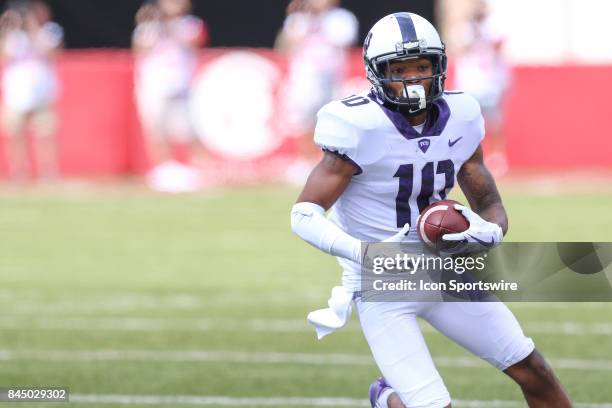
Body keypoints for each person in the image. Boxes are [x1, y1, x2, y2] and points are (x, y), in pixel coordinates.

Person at [290, 12, 572, 408]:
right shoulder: (358, 124)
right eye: (399, 69)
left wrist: (489, 231)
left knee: (533, 370)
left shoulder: (462, 116)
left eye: (422, 66)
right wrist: (363, 254)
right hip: (382, 281)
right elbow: (302, 214)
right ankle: (387, 398)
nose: (412, 79)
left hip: (444, 268)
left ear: (439, 66)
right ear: (376, 72)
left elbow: (489, 204)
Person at [275, 0, 358, 184]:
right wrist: (299, 19)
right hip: (305, 76)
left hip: (332, 76)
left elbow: (343, 41)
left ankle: (330, 162)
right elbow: (283, 47)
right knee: (304, 120)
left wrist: (319, 21)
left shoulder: (341, 18)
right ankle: (305, 161)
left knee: (334, 121)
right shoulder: (298, 20)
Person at [132, 0, 207, 192]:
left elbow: (195, 42)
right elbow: (139, 49)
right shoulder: (148, 27)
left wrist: (168, 25)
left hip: (182, 84)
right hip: (155, 84)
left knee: (190, 130)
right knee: (158, 129)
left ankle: (197, 171)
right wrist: (151, 25)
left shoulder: (190, 24)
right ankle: (164, 170)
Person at [0, 0, 63, 181]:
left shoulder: (49, 31)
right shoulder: (13, 36)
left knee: (45, 134)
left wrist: (32, 26)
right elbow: (4, 55)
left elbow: (52, 53)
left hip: (42, 94)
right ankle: (19, 171)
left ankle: (48, 171)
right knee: (15, 134)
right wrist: (6, 28)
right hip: (16, 94)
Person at [453, 0, 510, 176]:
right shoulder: (464, 29)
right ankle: (466, 156)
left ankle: (497, 158)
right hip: (470, 82)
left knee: (494, 122)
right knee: (468, 122)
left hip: (489, 82)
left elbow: (500, 47)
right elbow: (460, 48)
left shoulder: (492, 27)